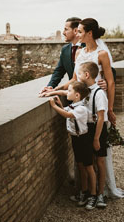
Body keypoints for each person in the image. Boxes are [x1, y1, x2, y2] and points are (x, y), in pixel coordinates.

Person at [54, 18, 124, 199]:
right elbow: (75, 80)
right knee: (84, 153)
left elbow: (110, 81)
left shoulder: (102, 54)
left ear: (89, 33)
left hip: (97, 104)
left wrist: (109, 109)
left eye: (80, 31)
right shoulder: (78, 53)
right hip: (80, 107)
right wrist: (54, 90)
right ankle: (86, 190)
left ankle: (100, 192)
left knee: (99, 151)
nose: (77, 34)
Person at [49, 81, 98, 210]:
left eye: (69, 91)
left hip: (84, 140)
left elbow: (68, 115)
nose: (67, 93)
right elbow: (67, 110)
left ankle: (93, 195)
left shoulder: (81, 108)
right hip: (76, 140)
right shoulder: (73, 105)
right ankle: (84, 191)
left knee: (89, 167)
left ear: (77, 95)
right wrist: (59, 102)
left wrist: (54, 106)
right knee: (81, 166)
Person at [78, 61, 108, 208]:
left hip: (98, 130)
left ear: (87, 75)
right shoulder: (84, 91)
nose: (78, 76)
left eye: (79, 73)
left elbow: (101, 117)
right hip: (87, 129)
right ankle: (91, 193)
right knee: (88, 162)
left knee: (100, 161)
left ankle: (101, 194)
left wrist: (96, 138)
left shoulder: (99, 92)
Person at [40, 17, 82, 94]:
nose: (63, 32)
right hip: (72, 96)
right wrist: (50, 86)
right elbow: (59, 71)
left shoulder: (88, 48)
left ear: (75, 31)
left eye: (66, 29)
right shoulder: (65, 49)